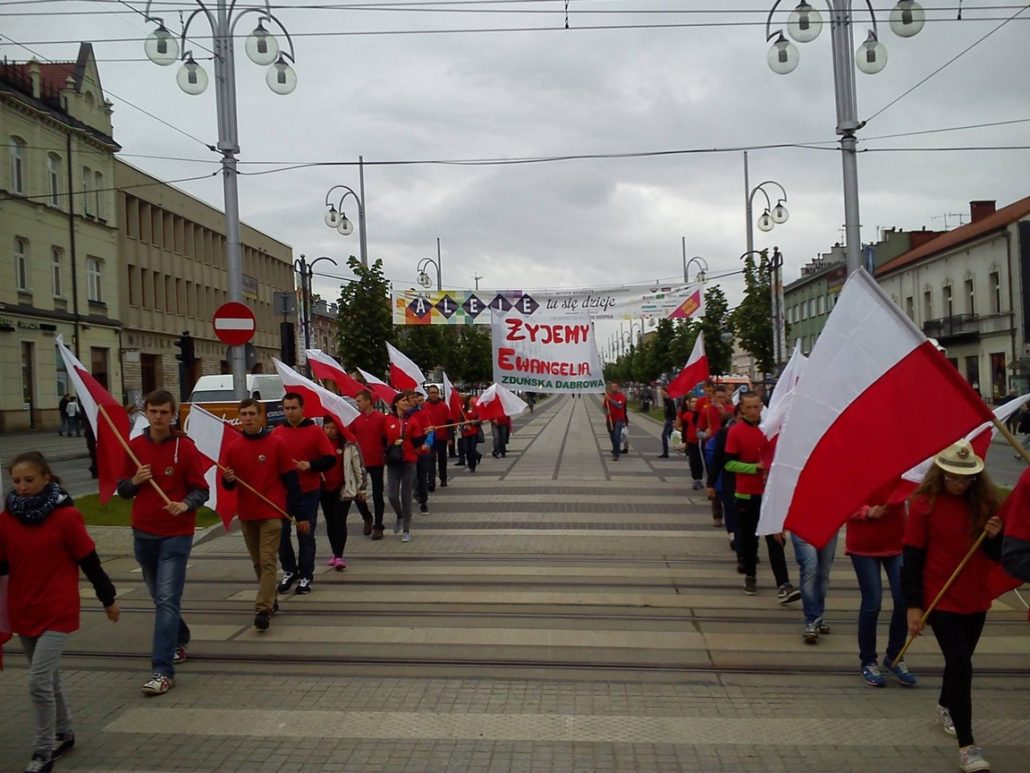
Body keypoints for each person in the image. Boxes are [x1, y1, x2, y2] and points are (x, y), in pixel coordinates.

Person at [1, 452, 119, 773]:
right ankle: (64, 731)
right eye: (16, 481)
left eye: (29, 480)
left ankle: (43, 751)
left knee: (37, 681)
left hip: (57, 608)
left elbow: (89, 560)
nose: (22, 487)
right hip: (23, 608)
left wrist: (107, 598)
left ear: (46, 478)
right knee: (48, 676)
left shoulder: (66, 517)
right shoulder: (7, 520)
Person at [902, 439, 1003, 773]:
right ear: (940, 474)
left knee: (960, 662)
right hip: (940, 597)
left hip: (975, 597)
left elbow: (997, 555)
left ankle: (946, 703)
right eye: (953, 478)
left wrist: (994, 536)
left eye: (966, 478)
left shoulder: (985, 504)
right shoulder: (923, 504)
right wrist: (913, 606)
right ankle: (967, 746)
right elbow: (912, 559)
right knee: (960, 664)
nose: (959, 484)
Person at [117, 390, 209, 696]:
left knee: (167, 599)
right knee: (160, 597)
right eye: (153, 411)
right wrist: (135, 481)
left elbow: (201, 490)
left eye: (164, 412)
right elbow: (123, 490)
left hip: (176, 534)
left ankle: (162, 670)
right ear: (146, 412)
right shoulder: (134, 447)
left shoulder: (185, 447)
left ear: (173, 415)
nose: (158, 417)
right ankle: (179, 636)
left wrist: (185, 504)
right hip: (143, 533)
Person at [221, 398, 302, 631]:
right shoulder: (233, 448)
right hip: (247, 514)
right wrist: (228, 480)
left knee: (268, 560)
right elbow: (228, 485)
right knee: (258, 562)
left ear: (260, 415)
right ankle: (271, 597)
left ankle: (263, 609)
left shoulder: (276, 443)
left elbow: (291, 480)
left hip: (272, 512)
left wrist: (298, 513)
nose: (248, 418)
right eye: (244, 414)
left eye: (252, 414)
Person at [724, 391, 797, 601]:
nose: (753, 411)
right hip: (747, 495)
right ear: (741, 409)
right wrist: (753, 468)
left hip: (769, 494)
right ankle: (750, 575)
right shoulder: (735, 432)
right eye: (748, 407)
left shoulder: (770, 431)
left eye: (756, 407)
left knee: (776, 539)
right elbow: (729, 464)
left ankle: (783, 584)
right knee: (749, 540)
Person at [847, 491, 916, 687]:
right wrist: (866, 511)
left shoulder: (901, 475)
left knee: (903, 599)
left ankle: (895, 656)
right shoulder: (854, 473)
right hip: (863, 545)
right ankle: (868, 660)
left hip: (896, 543)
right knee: (872, 603)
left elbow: (914, 488)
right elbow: (842, 501)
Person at [272, 392, 336, 595]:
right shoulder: (277, 433)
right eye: (287, 408)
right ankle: (290, 570)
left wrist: (311, 464)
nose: (290, 412)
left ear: (302, 408)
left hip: (308, 491)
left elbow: (330, 458)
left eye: (293, 408)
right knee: (281, 534)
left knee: (305, 534)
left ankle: (306, 575)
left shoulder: (315, 431)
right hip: (283, 493)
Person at [352, 389, 388, 540]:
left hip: (377, 461)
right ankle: (367, 516)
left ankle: (378, 526)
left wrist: (386, 453)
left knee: (378, 494)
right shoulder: (355, 419)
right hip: (360, 463)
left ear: (368, 401)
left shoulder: (381, 418)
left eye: (359, 401)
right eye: (356, 401)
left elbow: (386, 438)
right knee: (356, 493)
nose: (357, 404)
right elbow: (349, 437)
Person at [792, 530, 838, 644]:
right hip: (801, 524)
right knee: (810, 567)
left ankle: (817, 614)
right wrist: (775, 526)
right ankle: (812, 619)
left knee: (823, 573)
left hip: (829, 525)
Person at [384, 391, 418, 542]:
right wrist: (391, 445)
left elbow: (417, 440)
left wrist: (425, 435)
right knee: (392, 495)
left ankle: (406, 528)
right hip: (393, 461)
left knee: (406, 495)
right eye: (403, 400)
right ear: (396, 403)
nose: (406, 402)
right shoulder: (388, 420)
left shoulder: (412, 420)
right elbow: (382, 439)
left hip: (408, 459)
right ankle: (399, 514)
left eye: (407, 400)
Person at [423, 385, 451, 490]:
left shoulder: (444, 406)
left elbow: (449, 422)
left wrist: (450, 437)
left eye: (435, 392)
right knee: (430, 460)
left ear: (438, 393)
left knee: (442, 459)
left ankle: (443, 478)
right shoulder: (424, 406)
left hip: (441, 437)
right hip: (429, 439)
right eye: (431, 393)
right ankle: (431, 482)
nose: (433, 395)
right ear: (428, 394)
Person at [677, 396, 703, 490]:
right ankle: (696, 478)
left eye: (696, 401)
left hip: (700, 440)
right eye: (692, 401)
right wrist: (684, 441)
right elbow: (684, 429)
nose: (694, 403)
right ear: (689, 403)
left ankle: (700, 477)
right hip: (691, 441)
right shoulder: (687, 415)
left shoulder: (701, 414)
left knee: (700, 460)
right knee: (693, 460)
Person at [603, 382, 628, 461]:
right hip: (610, 419)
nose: (614, 388)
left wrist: (610, 400)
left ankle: (616, 454)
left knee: (617, 435)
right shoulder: (608, 396)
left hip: (619, 419)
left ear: (618, 388)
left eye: (615, 387)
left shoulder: (621, 396)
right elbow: (604, 407)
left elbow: (619, 406)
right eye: (612, 387)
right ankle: (615, 448)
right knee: (612, 436)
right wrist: (606, 413)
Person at [459, 395, 482, 473]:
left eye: (473, 399)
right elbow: (460, 421)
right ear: (468, 400)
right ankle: (472, 460)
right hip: (465, 433)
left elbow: (480, 420)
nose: (472, 401)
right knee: (466, 449)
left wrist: (472, 422)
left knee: (472, 449)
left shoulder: (476, 409)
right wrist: (465, 425)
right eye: (471, 399)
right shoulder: (463, 410)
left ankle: (472, 465)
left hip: (474, 432)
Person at [658, 386, 676, 458]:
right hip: (668, 419)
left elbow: (673, 411)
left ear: (666, 392)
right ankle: (682, 446)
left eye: (663, 392)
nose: (662, 393)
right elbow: (666, 411)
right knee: (671, 435)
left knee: (664, 435)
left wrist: (673, 420)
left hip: (670, 419)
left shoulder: (670, 400)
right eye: (661, 392)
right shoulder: (665, 400)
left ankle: (665, 453)